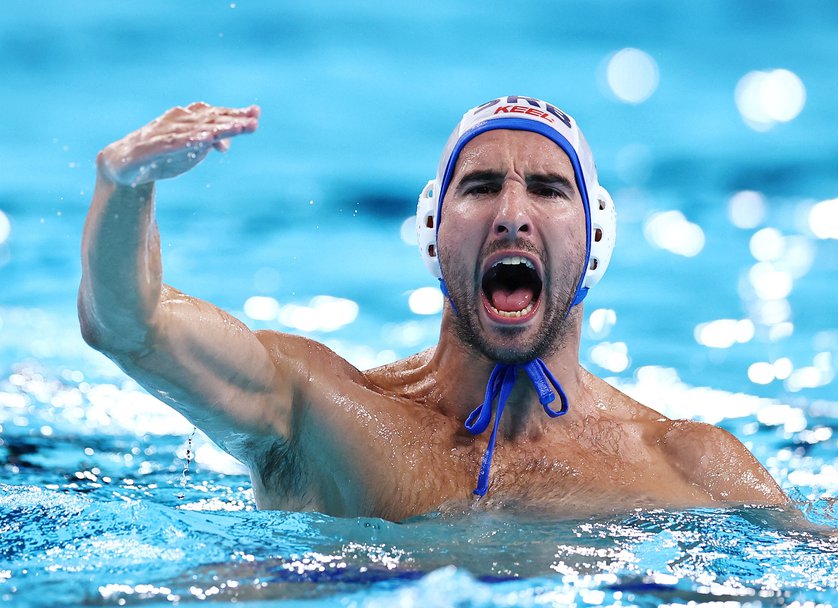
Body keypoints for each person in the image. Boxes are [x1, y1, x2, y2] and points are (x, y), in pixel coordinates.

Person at [79, 96, 789, 522]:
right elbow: (131, 325)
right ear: (432, 229)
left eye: (546, 189)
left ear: (596, 236)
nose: (512, 215)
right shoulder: (319, 411)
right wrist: (125, 184)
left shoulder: (691, 466)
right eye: (480, 187)